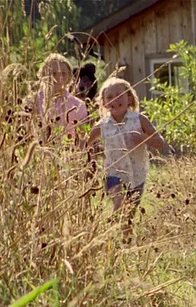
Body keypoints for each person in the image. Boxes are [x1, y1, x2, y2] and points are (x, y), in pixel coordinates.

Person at [83, 77, 173, 240]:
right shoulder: (102, 126)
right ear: (103, 103)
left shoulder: (139, 120)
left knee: (128, 214)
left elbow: (160, 143)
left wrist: (144, 138)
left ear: (129, 98)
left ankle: (125, 243)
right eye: (109, 97)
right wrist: (88, 157)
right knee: (119, 201)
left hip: (137, 175)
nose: (115, 99)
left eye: (119, 95)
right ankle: (107, 234)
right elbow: (83, 145)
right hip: (114, 173)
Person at [25, 53, 88, 145]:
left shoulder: (78, 105)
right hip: (39, 152)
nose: (58, 78)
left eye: (63, 73)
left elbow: (84, 136)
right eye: (53, 73)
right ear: (43, 75)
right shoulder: (32, 101)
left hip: (68, 154)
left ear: (69, 76)